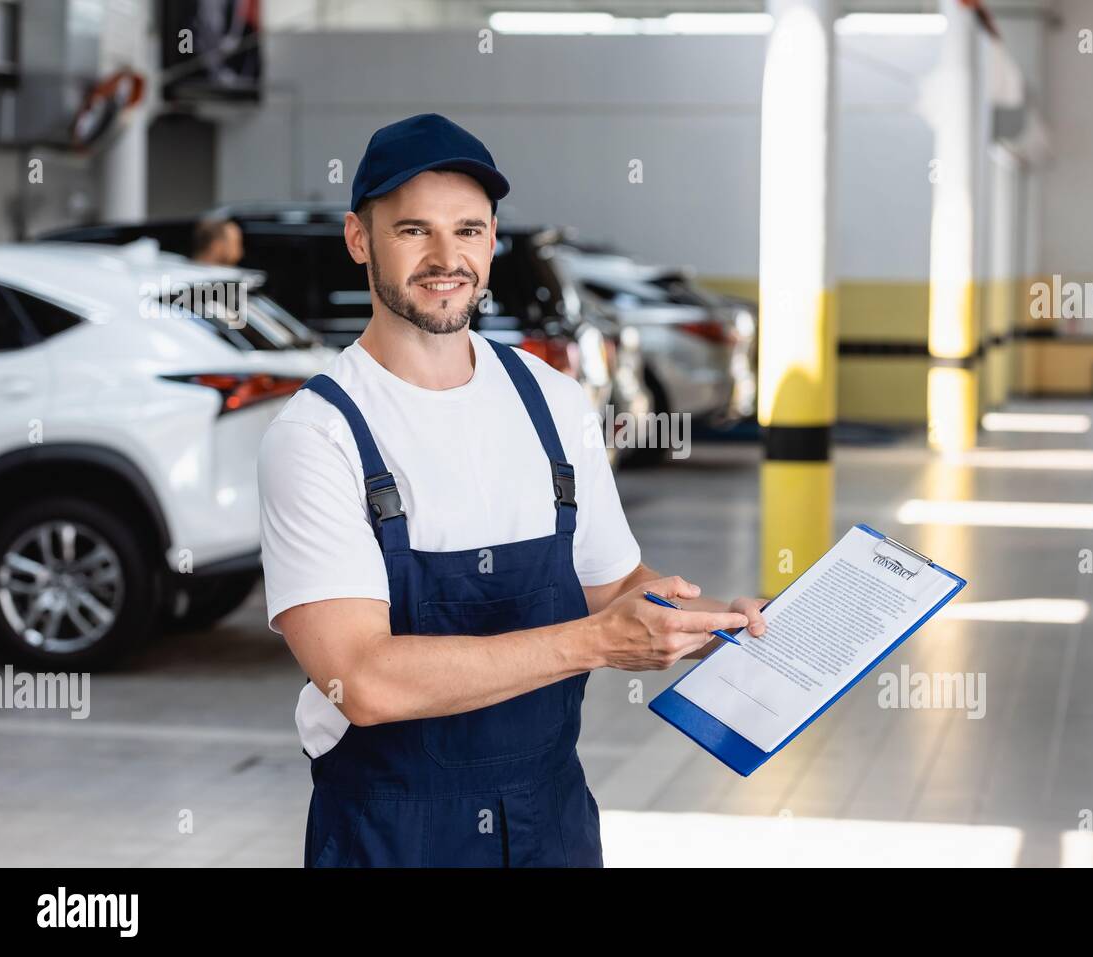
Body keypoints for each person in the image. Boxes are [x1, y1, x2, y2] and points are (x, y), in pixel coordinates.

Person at [257, 112, 767, 868]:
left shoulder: (553, 402)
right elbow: (359, 679)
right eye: (412, 231)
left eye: (468, 229)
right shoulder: (319, 435)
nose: (445, 256)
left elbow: (614, 582)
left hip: (553, 820)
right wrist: (596, 643)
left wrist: (715, 622)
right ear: (359, 239)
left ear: (493, 240)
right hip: (395, 834)